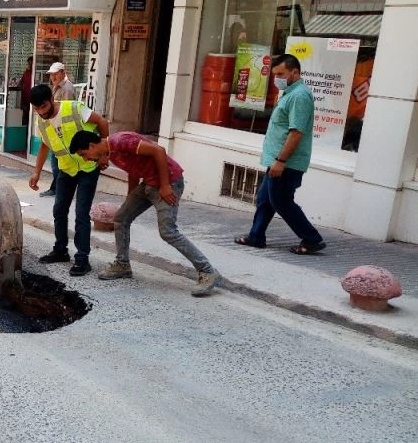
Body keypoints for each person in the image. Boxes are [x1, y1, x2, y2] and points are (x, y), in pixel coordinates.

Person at [70, 131, 221, 296]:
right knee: (121, 218)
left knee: (168, 232)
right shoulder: (111, 153)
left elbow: (159, 151)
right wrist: (130, 198)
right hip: (149, 184)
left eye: (84, 154)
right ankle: (122, 265)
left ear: (92, 146)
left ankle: (207, 271)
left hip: (169, 182)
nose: (85, 159)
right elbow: (133, 169)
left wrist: (165, 186)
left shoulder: (120, 141)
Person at [234, 54, 326, 255]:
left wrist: (281, 161)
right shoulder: (289, 92)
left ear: (295, 72)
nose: (277, 79)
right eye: (275, 75)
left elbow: (296, 132)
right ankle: (256, 236)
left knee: (281, 201)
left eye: (281, 74)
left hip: (286, 162)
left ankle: (312, 239)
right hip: (277, 160)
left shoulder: (299, 96)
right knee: (265, 199)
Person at [28, 84, 109, 276]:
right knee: (59, 210)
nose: (41, 112)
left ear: (51, 99)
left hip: (88, 167)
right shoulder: (42, 122)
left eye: (43, 107)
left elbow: (102, 122)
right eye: (37, 109)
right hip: (66, 169)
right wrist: (36, 172)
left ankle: (82, 259)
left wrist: (105, 154)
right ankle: (60, 250)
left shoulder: (74, 108)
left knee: (81, 213)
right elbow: (45, 147)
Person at [39, 62, 77, 198]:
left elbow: (66, 111)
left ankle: (59, 189)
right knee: (56, 163)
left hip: (62, 131)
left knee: (58, 163)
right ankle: (57, 188)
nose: (53, 77)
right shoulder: (57, 87)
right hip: (55, 130)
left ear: (62, 72)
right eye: (51, 75)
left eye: (56, 74)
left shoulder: (67, 88)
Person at [18, 56, 33, 126]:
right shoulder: (26, 73)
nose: (29, 65)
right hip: (25, 99)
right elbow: (20, 83)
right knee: (24, 119)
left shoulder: (34, 74)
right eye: (28, 63)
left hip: (33, 100)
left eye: (31, 63)